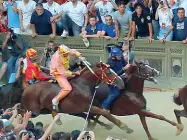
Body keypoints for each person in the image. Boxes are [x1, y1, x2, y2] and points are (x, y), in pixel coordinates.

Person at [50, 44, 84, 111]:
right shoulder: (57, 59)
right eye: (65, 54)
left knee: (75, 77)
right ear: (60, 53)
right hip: (58, 73)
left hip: (65, 69)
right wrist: (74, 72)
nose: (67, 55)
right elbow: (63, 72)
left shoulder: (66, 51)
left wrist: (80, 55)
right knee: (68, 88)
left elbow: (72, 51)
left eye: (67, 53)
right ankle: (55, 100)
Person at [102, 48, 130, 112]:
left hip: (122, 77)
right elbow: (114, 75)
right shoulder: (110, 62)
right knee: (115, 93)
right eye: (118, 55)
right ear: (113, 56)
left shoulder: (121, 57)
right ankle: (104, 106)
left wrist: (128, 67)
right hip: (114, 80)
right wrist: (124, 69)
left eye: (120, 55)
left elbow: (125, 64)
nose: (120, 56)